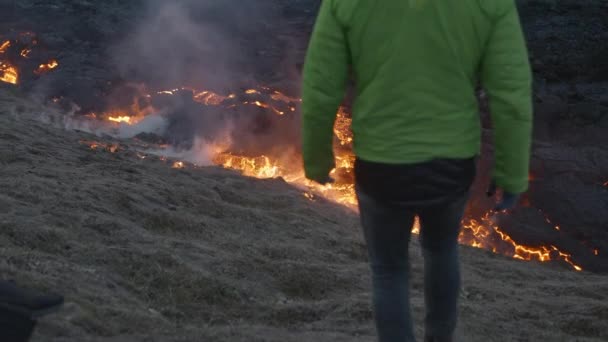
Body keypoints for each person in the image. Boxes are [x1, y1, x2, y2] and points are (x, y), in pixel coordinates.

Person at [301, 0, 532, 341]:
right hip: (451, 164)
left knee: (388, 271)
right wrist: (512, 173)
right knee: (441, 251)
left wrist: (318, 159)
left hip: (381, 164)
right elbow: (511, 94)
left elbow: (321, 87)